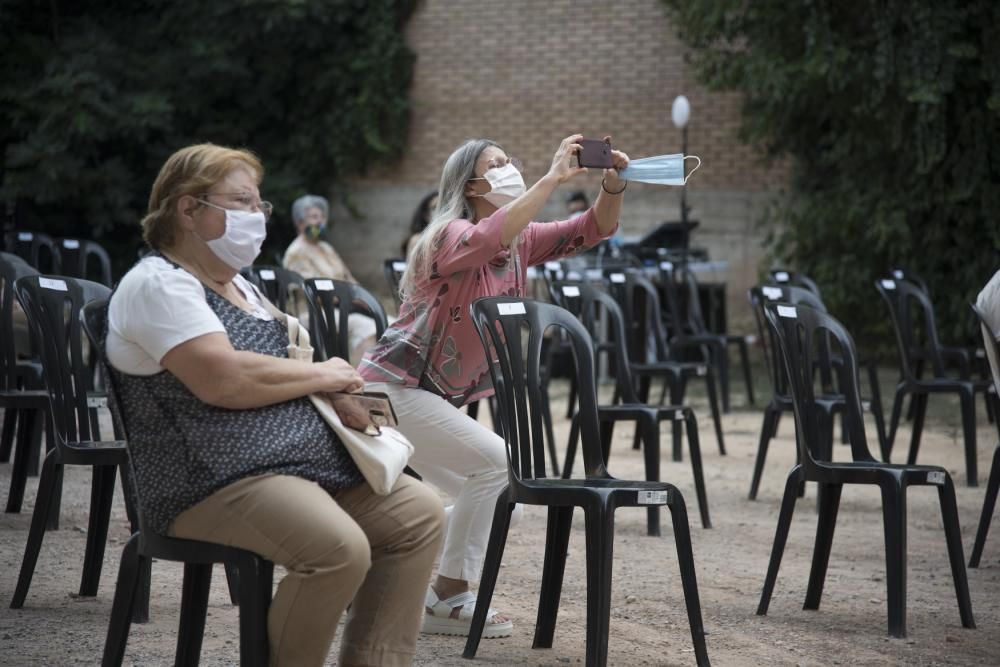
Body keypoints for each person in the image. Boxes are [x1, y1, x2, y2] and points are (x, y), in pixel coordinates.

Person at [105, 144, 444, 667]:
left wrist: (334, 390)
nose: (256, 218)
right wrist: (325, 374)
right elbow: (223, 379)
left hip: (295, 467)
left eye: (258, 206)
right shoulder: (158, 284)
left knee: (418, 514)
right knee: (338, 551)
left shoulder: (242, 285)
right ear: (187, 209)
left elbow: (278, 363)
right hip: (210, 479)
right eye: (240, 202)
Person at [360, 134, 629, 638]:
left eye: (511, 160)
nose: (510, 169)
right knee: (496, 468)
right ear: (472, 183)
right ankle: (448, 595)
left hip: (426, 396)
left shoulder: (520, 240)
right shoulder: (446, 234)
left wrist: (613, 186)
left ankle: (382, 565)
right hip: (391, 388)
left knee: (501, 501)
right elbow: (487, 240)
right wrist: (553, 178)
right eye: (497, 164)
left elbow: (591, 230)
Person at [282, 194, 380, 364]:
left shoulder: (326, 247)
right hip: (313, 313)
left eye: (322, 217)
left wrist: (364, 298)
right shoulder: (296, 252)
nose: (320, 222)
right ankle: (359, 381)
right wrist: (352, 300)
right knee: (369, 328)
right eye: (314, 217)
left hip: (343, 307)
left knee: (389, 323)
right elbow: (315, 293)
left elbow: (348, 277)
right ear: (299, 221)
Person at [402, 191, 439, 258]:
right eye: (435, 208)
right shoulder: (417, 240)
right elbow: (412, 268)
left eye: (443, 206)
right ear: (426, 215)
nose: (440, 210)